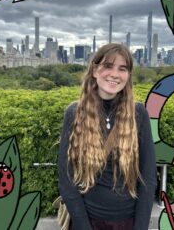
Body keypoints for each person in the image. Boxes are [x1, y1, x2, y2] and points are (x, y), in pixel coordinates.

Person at [58, 43, 157, 230]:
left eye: (123, 68)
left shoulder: (138, 113)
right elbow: (66, 179)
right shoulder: (74, 113)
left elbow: (148, 177)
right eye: (108, 66)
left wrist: (140, 227)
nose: (115, 74)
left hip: (128, 222)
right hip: (87, 221)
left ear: (128, 76)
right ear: (95, 70)